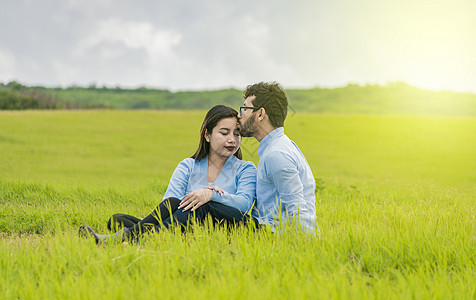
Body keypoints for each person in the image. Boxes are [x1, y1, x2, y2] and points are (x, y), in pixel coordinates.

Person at [79, 105, 257, 244]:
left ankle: (134, 240)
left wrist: (210, 195)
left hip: (223, 227)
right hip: (185, 224)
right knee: (121, 218)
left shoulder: (246, 169)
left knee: (196, 206)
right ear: (207, 135)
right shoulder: (188, 165)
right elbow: (169, 202)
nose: (232, 140)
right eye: (224, 133)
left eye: (237, 134)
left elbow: (244, 203)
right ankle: (138, 234)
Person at [238, 82, 319, 233]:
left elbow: (297, 207)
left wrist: (311, 247)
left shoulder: (276, 155)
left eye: (245, 108)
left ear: (261, 114)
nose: (239, 114)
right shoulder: (279, 147)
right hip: (266, 231)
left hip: (272, 235)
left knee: (213, 210)